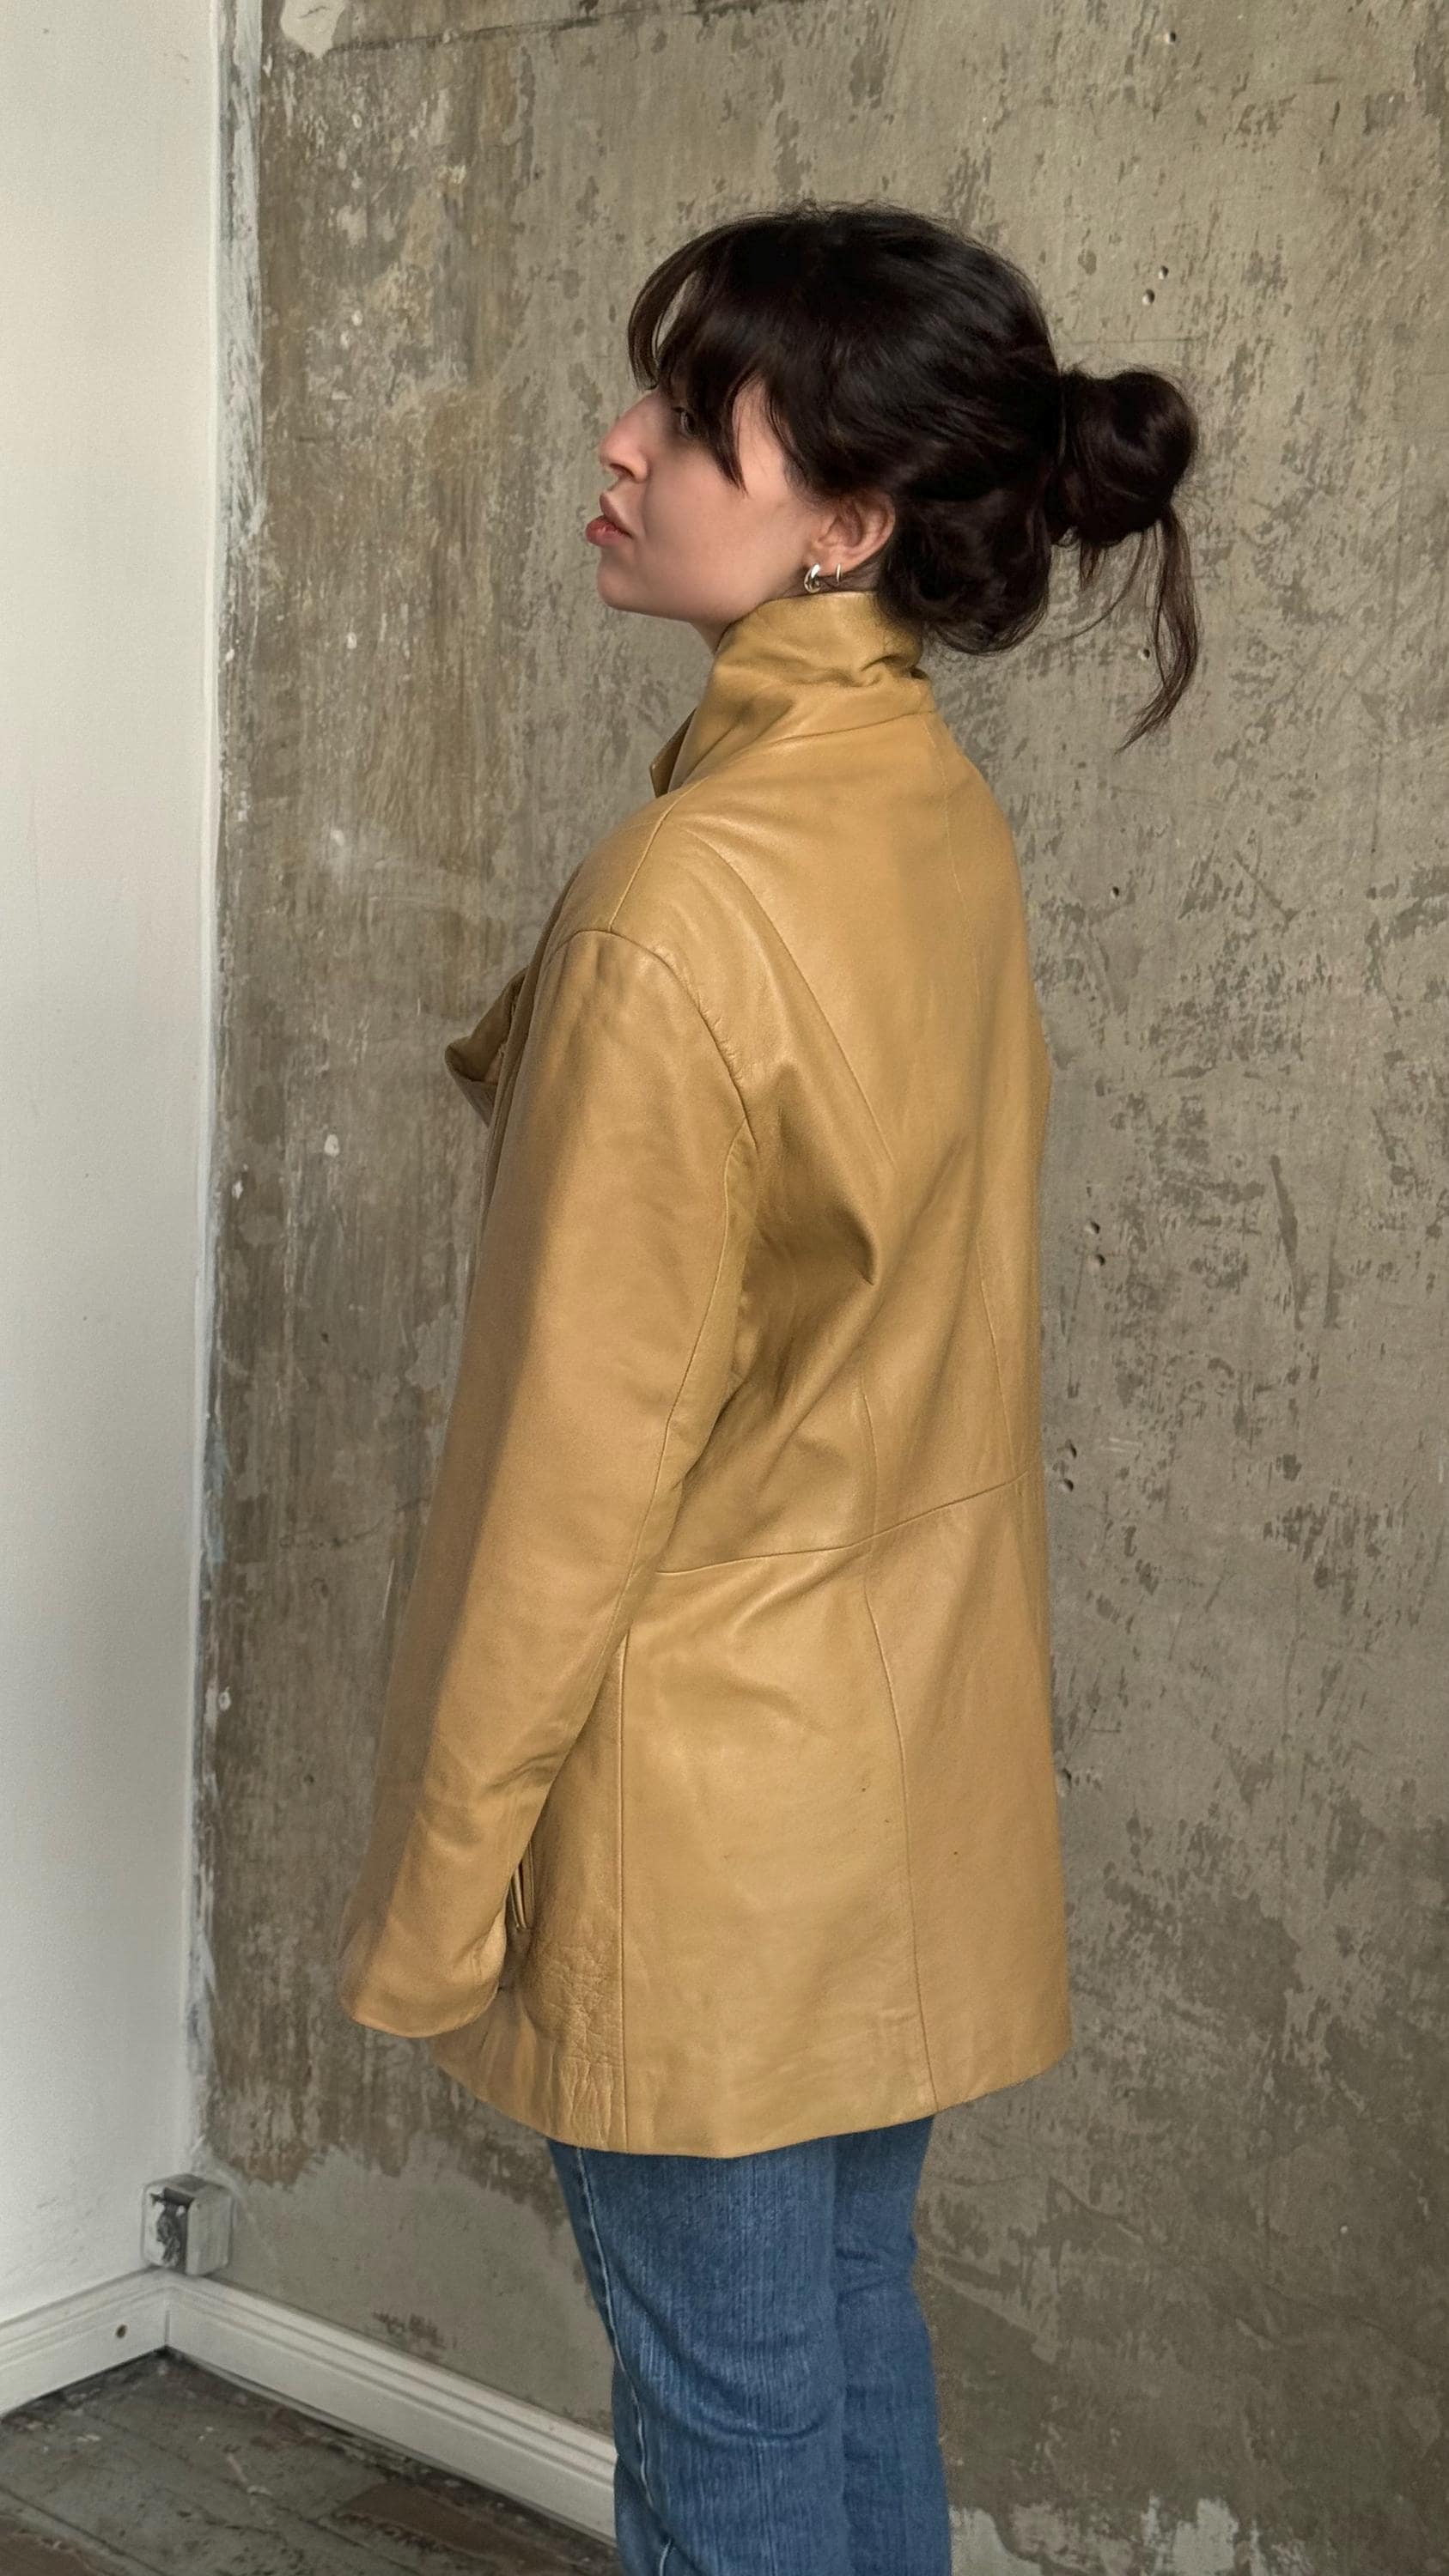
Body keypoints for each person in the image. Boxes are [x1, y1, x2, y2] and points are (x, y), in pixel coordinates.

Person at [337, 199, 1201, 2576]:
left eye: (684, 414)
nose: (615, 447)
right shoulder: (923, 811)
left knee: (729, 2437)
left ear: (849, 520)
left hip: (709, 1821)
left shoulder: (685, 904)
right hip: (900, 1786)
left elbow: (559, 1487)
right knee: (838, 2347)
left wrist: (442, 1891)